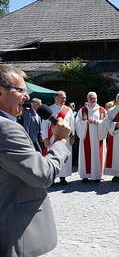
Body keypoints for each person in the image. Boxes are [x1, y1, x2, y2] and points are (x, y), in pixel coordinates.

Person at [0, 65, 70, 257]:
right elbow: (42, 175)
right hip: (13, 232)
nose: (27, 97)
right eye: (21, 90)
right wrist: (61, 141)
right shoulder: (6, 129)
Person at [41, 90, 75, 184]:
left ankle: (63, 177)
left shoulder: (68, 110)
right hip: (52, 138)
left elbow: (72, 124)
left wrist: (72, 136)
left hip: (66, 138)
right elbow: (44, 125)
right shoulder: (49, 109)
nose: (64, 99)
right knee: (53, 155)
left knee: (63, 156)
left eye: (65, 98)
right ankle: (52, 177)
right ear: (56, 98)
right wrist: (45, 138)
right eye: (62, 97)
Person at [76, 92, 107, 182]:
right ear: (87, 99)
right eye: (91, 98)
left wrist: (98, 122)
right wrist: (86, 122)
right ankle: (85, 175)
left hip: (98, 136)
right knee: (85, 154)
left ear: (97, 98)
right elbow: (77, 122)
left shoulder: (102, 110)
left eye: (94, 98)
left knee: (98, 154)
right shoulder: (82, 110)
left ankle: (97, 175)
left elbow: (106, 122)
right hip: (86, 136)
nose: (93, 100)